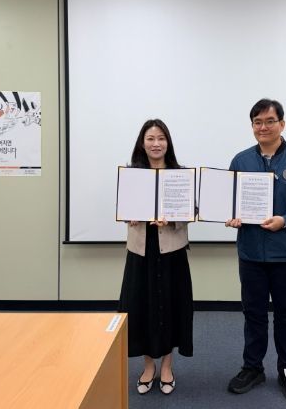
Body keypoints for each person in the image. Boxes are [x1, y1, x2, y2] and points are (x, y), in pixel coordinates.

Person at [225, 98, 286, 402]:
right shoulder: (241, 161)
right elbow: (230, 201)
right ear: (252, 126)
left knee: (285, 314)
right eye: (257, 122)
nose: (263, 127)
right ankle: (252, 368)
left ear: (282, 124)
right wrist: (232, 216)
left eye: (270, 121)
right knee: (253, 313)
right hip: (251, 253)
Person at [118, 119, 194, 396]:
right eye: (150, 138)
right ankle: (148, 365)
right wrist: (130, 215)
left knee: (171, 307)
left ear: (168, 143)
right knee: (142, 308)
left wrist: (171, 219)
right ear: (142, 143)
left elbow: (190, 212)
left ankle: (167, 366)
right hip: (141, 251)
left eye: (161, 138)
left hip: (171, 252)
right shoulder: (132, 175)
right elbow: (123, 210)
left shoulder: (179, 174)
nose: (156, 143)